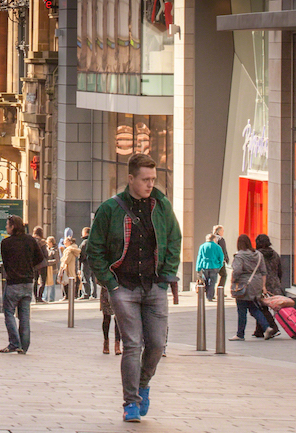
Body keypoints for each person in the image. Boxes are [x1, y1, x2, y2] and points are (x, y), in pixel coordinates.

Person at [87, 153, 182, 423]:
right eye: (145, 179)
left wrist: (166, 275)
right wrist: (111, 283)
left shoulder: (160, 205)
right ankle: (130, 402)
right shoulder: (110, 209)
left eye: (153, 179)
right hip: (124, 287)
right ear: (130, 179)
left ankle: (143, 384)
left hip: (154, 286)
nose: (150, 184)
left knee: (155, 344)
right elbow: (95, 250)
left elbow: (174, 238)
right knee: (132, 344)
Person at [0, 215, 44, 354]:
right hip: (27, 282)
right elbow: (40, 259)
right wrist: (29, 267)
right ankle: (24, 346)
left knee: (9, 313)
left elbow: (5, 263)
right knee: (24, 315)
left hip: (13, 282)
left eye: (7, 225)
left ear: (13, 227)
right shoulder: (30, 240)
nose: (6, 227)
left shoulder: (5, 243)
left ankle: (14, 342)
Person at [229, 234, 276, 342]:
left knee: (241, 309)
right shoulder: (258, 255)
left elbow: (237, 271)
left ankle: (240, 334)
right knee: (253, 307)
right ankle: (266, 327)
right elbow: (264, 271)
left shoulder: (239, 256)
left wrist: (233, 280)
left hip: (244, 284)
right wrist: (262, 286)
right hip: (257, 284)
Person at [252, 234, 282, 338]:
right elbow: (280, 270)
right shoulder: (275, 254)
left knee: (261, 308)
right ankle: (259, 331)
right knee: (261, 307)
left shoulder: (257, 255)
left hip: (262, 284)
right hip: (275, 283)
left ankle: (273, 328)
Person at [196, 234, 224, 301]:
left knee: (206, 281)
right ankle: (210, 296)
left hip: (205, 266)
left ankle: (208, 294)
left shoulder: (202, 246)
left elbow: (199, 257)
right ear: (214, 239)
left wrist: (198, 268)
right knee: (212, 282)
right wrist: (220, 265)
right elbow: (221, 257)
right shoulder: (217, 247)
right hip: (214, 266)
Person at [101, 284, 121, 355]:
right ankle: (106, 341)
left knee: (118, 318)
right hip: (106, 289)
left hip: (119, 290)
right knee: (106, 317)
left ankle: (117, 343)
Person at [31, 226, 48, 303]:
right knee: (43, 281)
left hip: (34, 264)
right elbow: (46, 254)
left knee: (35, 280)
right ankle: (39, 297)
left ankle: (35, 297)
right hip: (42, 264)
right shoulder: (42, 242)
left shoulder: (31, 241)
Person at [79, 227, 97, 299]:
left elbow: (81, 254)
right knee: (93, 279)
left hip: (86, 262)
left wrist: (80, 261)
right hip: (94, 262)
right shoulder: (94, 241)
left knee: (85, 278)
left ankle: (86, 293)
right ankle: (94, 294)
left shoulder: (84, 242)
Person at [42, 236, 59, 302]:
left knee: (52, 284)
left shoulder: (55, 250)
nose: (47, 244)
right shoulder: (47, 249)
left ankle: (51, 298)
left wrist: (48, 262)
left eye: (48, 242)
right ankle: (45, 297)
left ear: (51, 243)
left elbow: (57, 260)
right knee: (46, 283)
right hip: (47, 269)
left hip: (53, 269)